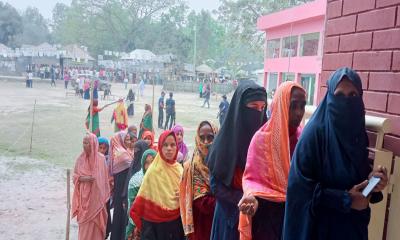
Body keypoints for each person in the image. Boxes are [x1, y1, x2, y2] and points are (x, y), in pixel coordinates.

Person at [283, 68, 389, 240]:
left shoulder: (357, 132)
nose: (346, 101)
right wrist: (344, 199)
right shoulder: (314, 134)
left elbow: (354, 175)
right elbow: (299, 190)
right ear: (330, 97)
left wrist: (372, 182)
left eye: (353, 95)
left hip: (351, 228)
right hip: (320, 229)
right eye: (339, 95)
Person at [237, 82, 306, 240]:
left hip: (295, 218)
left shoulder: (304, 140)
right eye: (293, 106)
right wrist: (251, 196)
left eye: (302, 106)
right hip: (267, 220)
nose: (299, 113)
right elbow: (251, 180)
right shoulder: (262, 140)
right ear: (281, 105)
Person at [207, 80, 268, 240]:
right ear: (240, 109)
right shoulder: (225, 142)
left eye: (262, 108)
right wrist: (243, 200)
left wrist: (258, 201)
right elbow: (215, 184)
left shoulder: (266, 144)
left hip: (259, 221)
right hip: (228, 220)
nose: (259, 113)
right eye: (253, 107)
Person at [130, 131, 185, 240]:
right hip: (155, 227)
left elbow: (186, 195)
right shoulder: (153, 171)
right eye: (165, 145)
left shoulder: (180, 169)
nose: (169, 148)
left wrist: (183, 195)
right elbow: (142, 203)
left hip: (176, 225)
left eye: (172, 145)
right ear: (160, 146)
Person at [180, 121, 218, 240]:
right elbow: (201, 202)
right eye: (202, 138)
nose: (206, 142)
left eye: (210, 137)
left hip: (220, 223)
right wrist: (227, 201)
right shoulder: (192, 167)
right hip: (201, 224)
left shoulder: (223, 163)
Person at [72, 134, 111, 240]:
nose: (84, 145)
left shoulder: (101, 159)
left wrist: (100, 197)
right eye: (83, 142)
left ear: (93, 144)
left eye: (87, 143)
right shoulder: (80, 159)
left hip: (97, 201)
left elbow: (104, 181)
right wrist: (83, 178)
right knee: (84, 229)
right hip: (84, 200)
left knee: (96, 229)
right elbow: (74, 176)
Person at [126, 149, 157, 240]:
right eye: (147, 163)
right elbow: (132, 209)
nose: (150, 165)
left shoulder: (162, 180)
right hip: (138, 226)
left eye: (153, 162)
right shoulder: (135, 181)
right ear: (143, 164)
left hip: (157, 225)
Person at [110, 132, 134, 240]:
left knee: (118, 214)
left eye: (129, 140)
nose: (129, 142)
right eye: (126, 140)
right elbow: (131, 165)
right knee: (120, 215)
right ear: (120, 141)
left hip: (120, 188)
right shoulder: (122, 155)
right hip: (122, 189)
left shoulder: (121, 151)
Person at [98, 136, 113, 239]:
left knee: (105, 215)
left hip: (106, 194)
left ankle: (105, 234)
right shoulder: (93, 160)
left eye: (105, 148)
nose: (103, 150)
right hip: (96, 195)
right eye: (100, 147)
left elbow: (111, 175)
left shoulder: (109, 161)